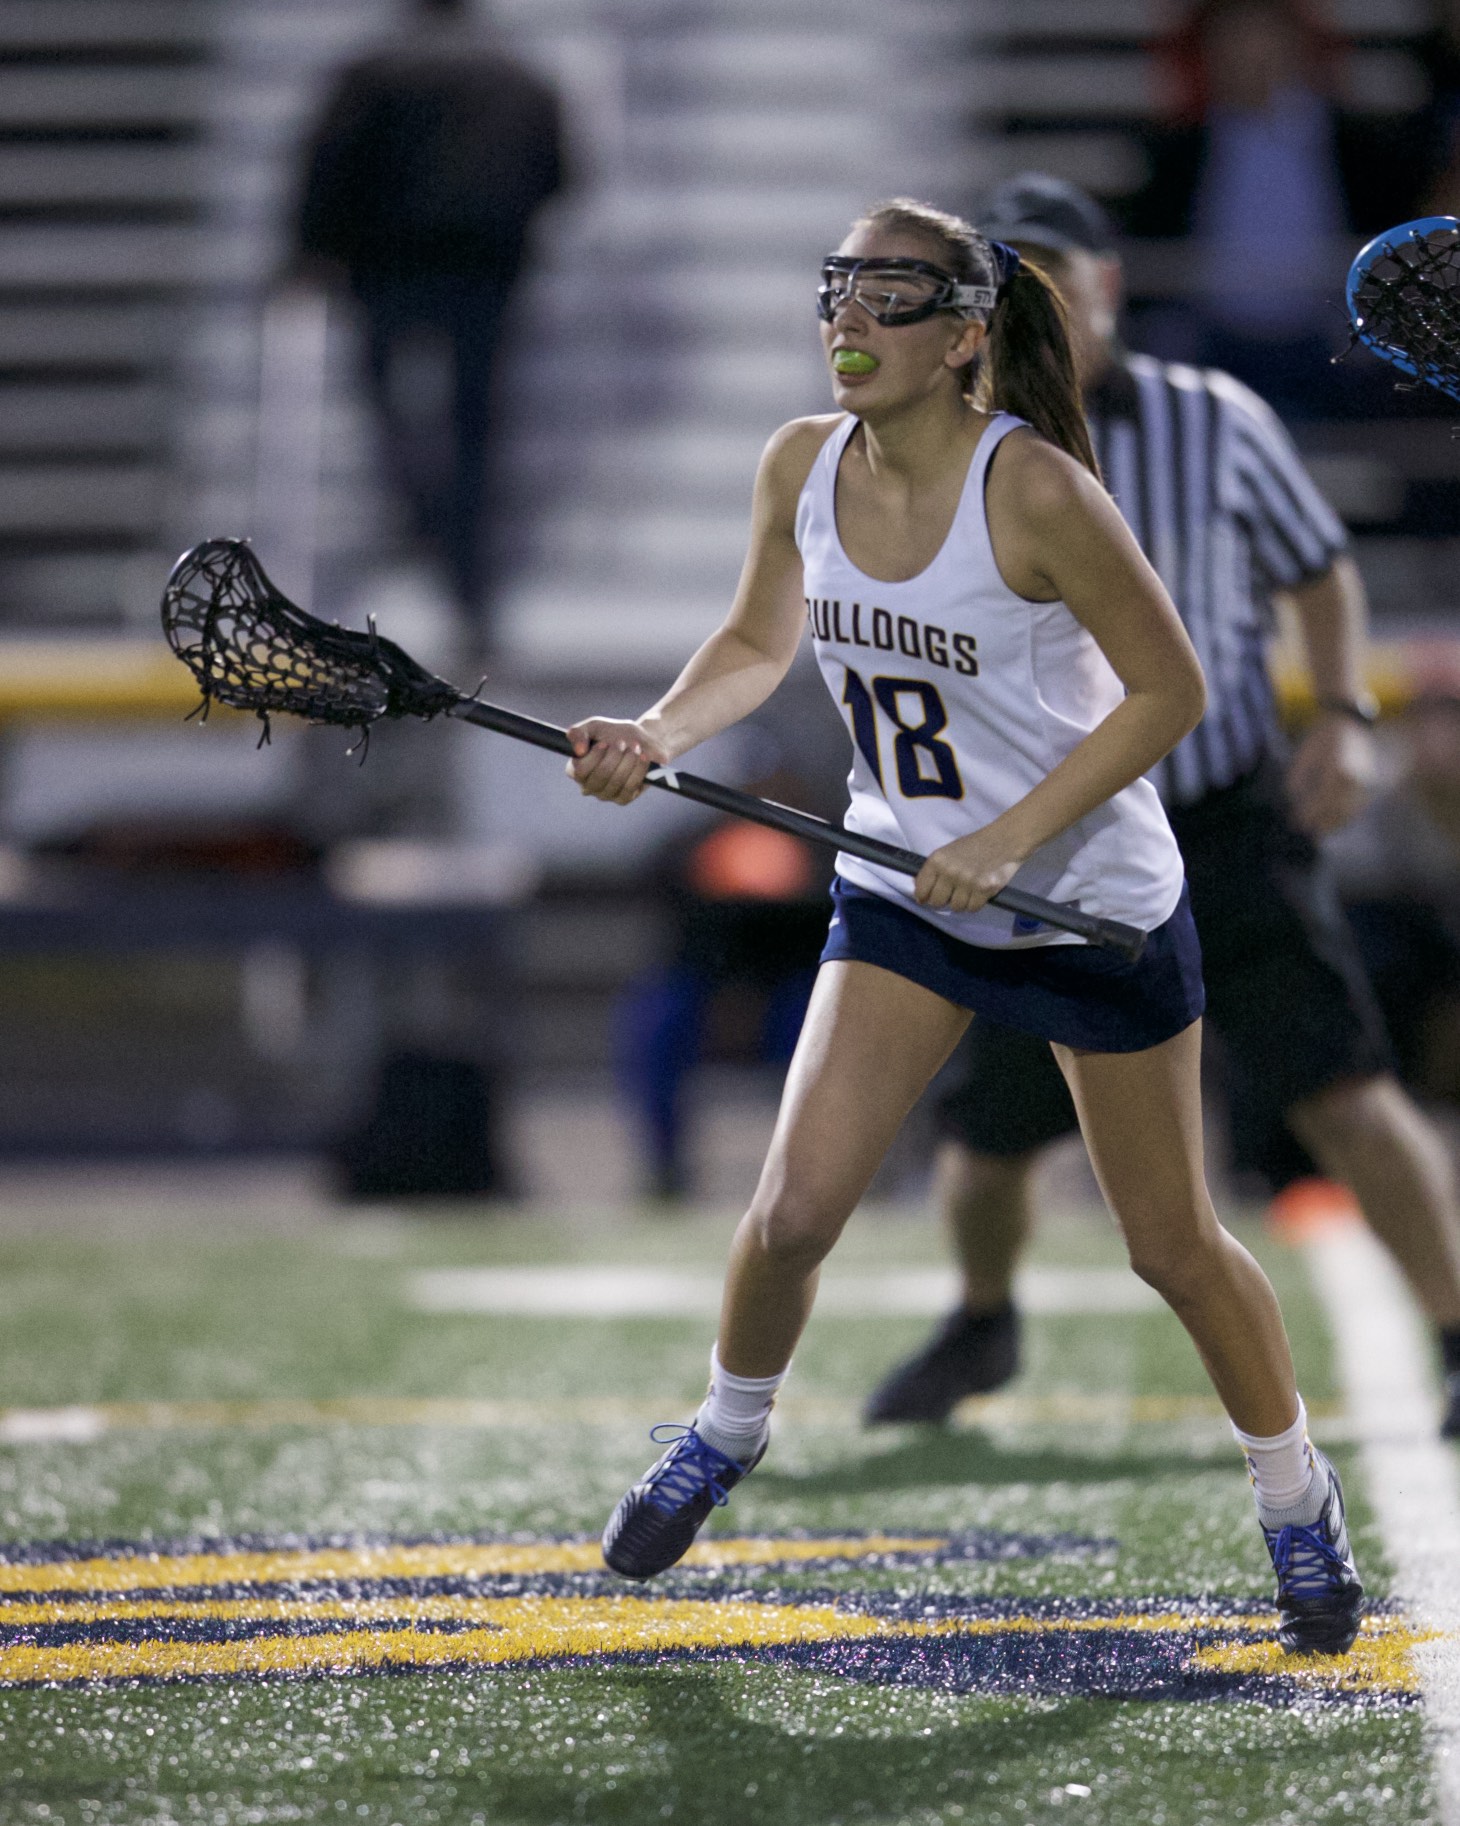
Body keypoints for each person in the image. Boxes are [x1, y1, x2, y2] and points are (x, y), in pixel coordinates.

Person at [567, 197, 1364, 1655]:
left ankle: (1295, 1495)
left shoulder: (1037, 488)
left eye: (889, 294)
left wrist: (1007, 837)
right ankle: (725, 1429)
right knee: (792, 1212)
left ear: (960, 338)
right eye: (838, 288)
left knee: (1172, 1245)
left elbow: (1172, 691)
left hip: (1084, 905)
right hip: (903, 886)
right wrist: (658, 733)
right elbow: (753, 640)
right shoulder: (799, 462)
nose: (849, 319)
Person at [863, 174, 1460, 1446]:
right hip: (1048, 836)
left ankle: (1457, 1328)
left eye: (1054, 282)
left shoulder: (1210, 416)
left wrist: (1341, 715)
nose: (1036, 310)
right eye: (1011, 288)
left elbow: (1316, 570)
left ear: (1107, 287)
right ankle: (980, 1315)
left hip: (1215, 817)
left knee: (1342, 1087)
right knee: (989, 1128)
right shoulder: (945, 441)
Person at [292, 0, 566, 630]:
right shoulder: (516, 77)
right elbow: (558, 174)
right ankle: (463, 568)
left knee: (391, 411)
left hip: (387, 267)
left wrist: (308, 251)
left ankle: (420, 518)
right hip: (483, 269)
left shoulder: (373, 74)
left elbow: (330, 163)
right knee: (474, 422)